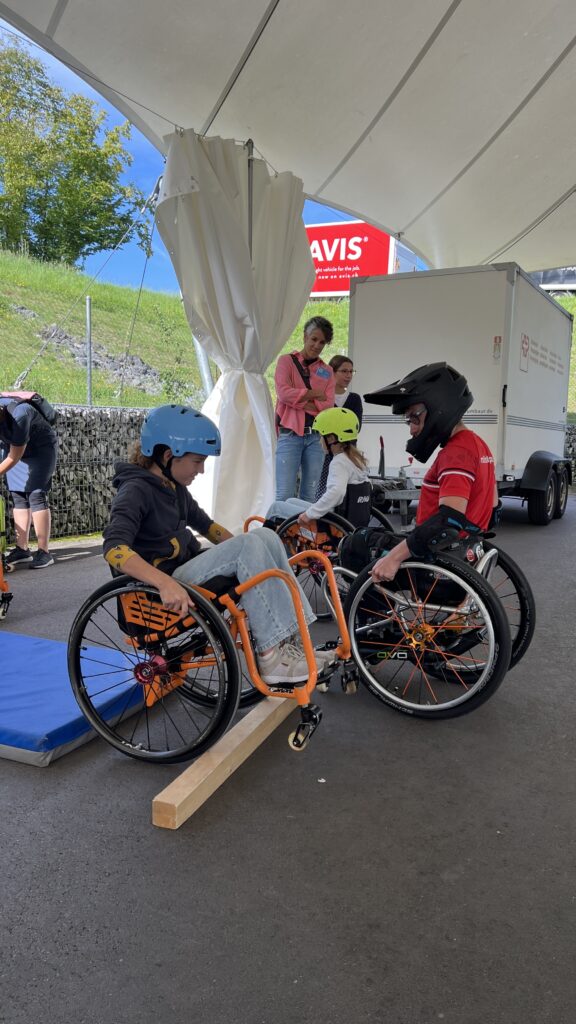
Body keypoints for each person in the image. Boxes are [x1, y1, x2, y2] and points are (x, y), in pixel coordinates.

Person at [102, 405, 335, 686]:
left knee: (266, 537)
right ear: (167, 456)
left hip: (182, 571)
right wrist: (164, 584)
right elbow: (114, 548)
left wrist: (254, 551)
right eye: (197, 461)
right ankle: (272, 657)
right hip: (161, 586)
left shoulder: (173, 488)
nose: (201, 470)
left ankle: (295, 645)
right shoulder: (136, 490)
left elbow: (208, 528)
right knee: (250, 544)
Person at [360, 362, 497, 582]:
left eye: (414, 418)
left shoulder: (456, 453)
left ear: (438, 406)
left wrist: (394, 558)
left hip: (438, 561)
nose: (412, 428)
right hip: (464, 552)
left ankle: (368, 614)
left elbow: (449, 519)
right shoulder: (478, 444)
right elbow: (492, 505)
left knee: (357, 544)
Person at [265, 406, 369, 526]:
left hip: (331, 520)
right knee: (290, 501)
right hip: (346, 515)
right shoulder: (355, 459)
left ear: (331, 438)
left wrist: (310, 514)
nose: (319, 441)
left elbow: (337, 492)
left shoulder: (339, 462)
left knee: (276, 507)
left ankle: (265, 540)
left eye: (321, 436)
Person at [274, 316, 335, 501]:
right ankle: (279, 530)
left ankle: (303, 531)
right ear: (304, 337)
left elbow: (328, 406)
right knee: (284, 494)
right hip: (290, 435)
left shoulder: (327, 371)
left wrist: (297, 397)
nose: (317, 345)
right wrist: (314, 394)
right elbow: (283, 393)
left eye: (322, 342)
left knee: (310, 496)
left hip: (315, 437)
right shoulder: (286, 361)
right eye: (314, 339)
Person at [0, 397, 58, 569]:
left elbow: (14, 457)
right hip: (13, 446)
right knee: (18, 495)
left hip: (41, 449)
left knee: (36, 494)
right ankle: (22, 549)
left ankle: (44, 552)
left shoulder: (21, 414)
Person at [316, 354, 363, 498]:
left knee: (347, 489)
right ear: (333, 372)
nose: (348, 375)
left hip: (348, 451)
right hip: (326, 452)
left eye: (351, 371)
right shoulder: (323, 397)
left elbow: (356, 427)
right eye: (344, 371)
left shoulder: (354, 398)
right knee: (324, 488)